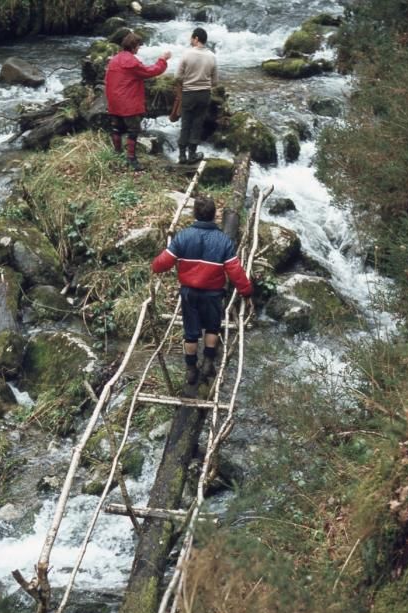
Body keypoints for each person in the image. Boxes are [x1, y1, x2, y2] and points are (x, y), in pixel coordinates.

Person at [151, 197, 253, 384]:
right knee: (212, 327)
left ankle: (190, 368)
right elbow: (235, 271)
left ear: (195, 214)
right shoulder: (224, 241)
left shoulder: (183, 236)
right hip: (214, 293)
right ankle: (208, 361)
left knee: (190, 332)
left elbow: (162, 264)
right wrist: (246, 291)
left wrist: (154, 265)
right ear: (215, 215)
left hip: (189, 292)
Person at [105, 33, 171, 171]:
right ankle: (131, 159)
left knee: (116, 128)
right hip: (127, 102)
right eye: (138, 46)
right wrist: (162, 60)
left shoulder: (114, 59)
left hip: (113, 101)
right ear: (134, 47)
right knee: (133, 130)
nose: (139, 49)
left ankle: (116, 153)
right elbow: (151, 71)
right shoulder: (132, 62)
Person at [176, 27, 218, 165]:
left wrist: (187, 81)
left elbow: (178, 76)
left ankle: (182, 156)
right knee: (197, 124)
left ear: (196, 39)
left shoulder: (186, 54)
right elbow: (215, 81)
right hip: (204, 94)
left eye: (191, 38)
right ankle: (192, 155)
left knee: (185, 123)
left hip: (188, 93)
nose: (190, 40)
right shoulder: (212, 56)